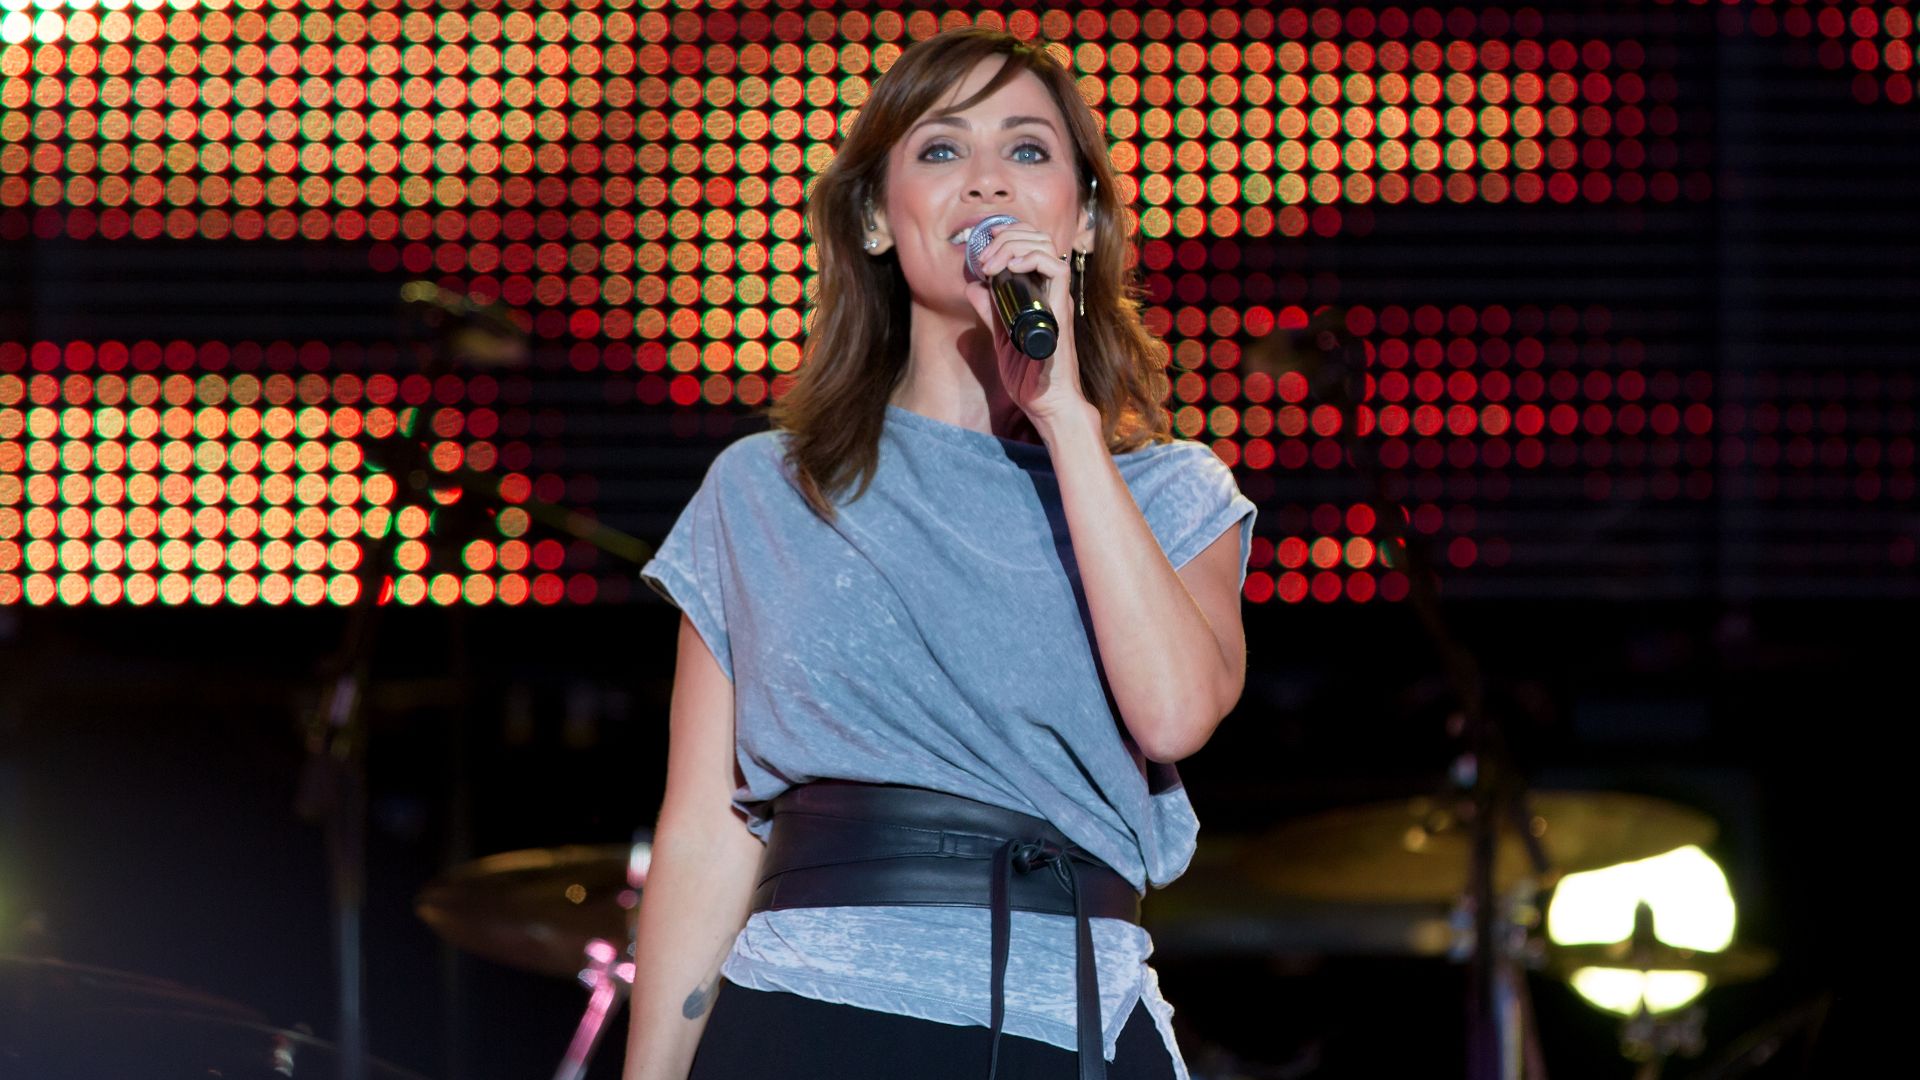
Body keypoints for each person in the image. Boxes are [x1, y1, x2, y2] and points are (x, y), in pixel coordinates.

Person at [624, 28, 1256, 1080]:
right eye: (940, 150)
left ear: (1085, 221)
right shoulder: (765, 488)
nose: (986, 181)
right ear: (876, 218)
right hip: (813, 1010)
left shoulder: (1167, 490)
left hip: (1073, 1025)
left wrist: (1064, 421)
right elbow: (704, 828)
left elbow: (1175, 712)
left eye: (1028, 151)